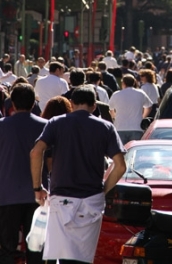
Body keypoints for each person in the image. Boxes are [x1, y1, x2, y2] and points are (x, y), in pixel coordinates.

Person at [30, 85, 126, 264]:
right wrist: (104, 189)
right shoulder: (106, 127)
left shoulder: (56, 123)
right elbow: (120, 166)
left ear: (71, 103)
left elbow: (36, 152)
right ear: (94, 106)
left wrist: (38, 187)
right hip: (91, 198)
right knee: (83, 257)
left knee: (62, 255)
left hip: (61, 198)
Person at [0, 83, 48, 264]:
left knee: (7, 248)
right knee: (36, 249)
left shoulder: (2, 126)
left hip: (6, 194)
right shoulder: (46, 126)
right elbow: (50, 161)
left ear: (12, 102)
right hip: (38, 195)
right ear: (33, 102)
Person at [109, 74, 153, 144]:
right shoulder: (140, 93)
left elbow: (111, 109)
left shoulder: (116, 94)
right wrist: (142, 117)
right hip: (137, 127)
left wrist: (114, 117)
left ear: (123, 83)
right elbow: (149, 106)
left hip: (120, 127)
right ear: (134, 83)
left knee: (121, 152)